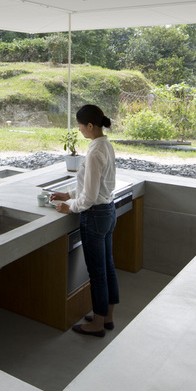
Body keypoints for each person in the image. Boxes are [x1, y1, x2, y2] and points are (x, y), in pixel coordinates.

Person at [50, 104, 118, 337]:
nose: (78, 129)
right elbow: (94, 185)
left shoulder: (95, 152)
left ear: (90, 125)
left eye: (79, 125)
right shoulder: (105, 145)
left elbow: (89, 197)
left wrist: (70, 207)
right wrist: (68, 195)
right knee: (108, 268)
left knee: (97, 273)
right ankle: (107, 316)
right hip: (108, 211)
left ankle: (97, 324)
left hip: (95, 216)